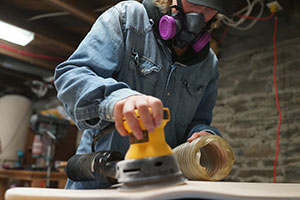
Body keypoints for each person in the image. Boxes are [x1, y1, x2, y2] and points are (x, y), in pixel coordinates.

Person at [54, 0, 232, 189]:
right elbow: (71, 75)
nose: (200, 14)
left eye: (210, 8)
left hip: (161, 186)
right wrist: (119, 99)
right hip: (99, 183)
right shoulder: (128, 18)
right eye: (194, 2)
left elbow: (198, 121)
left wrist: (204, 134)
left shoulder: (208, 64)